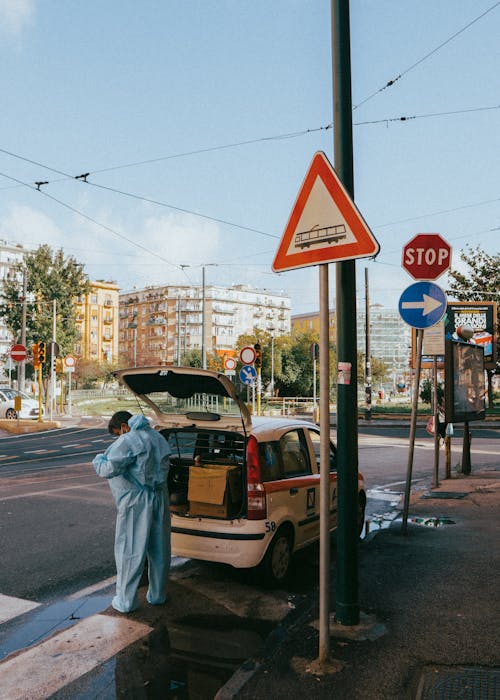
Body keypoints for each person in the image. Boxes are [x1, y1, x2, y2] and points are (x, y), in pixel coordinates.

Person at [93, 411, 172, 613]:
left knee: (130, 550)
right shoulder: (158, 438)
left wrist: (98, 460)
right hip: (159, 499)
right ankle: (158, 595)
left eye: (118, 433)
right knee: (159, 550)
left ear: (124, 427)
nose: (119, 437)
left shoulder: (128, 441)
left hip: (137, 502)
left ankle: (126, 602)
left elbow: (108, 469)